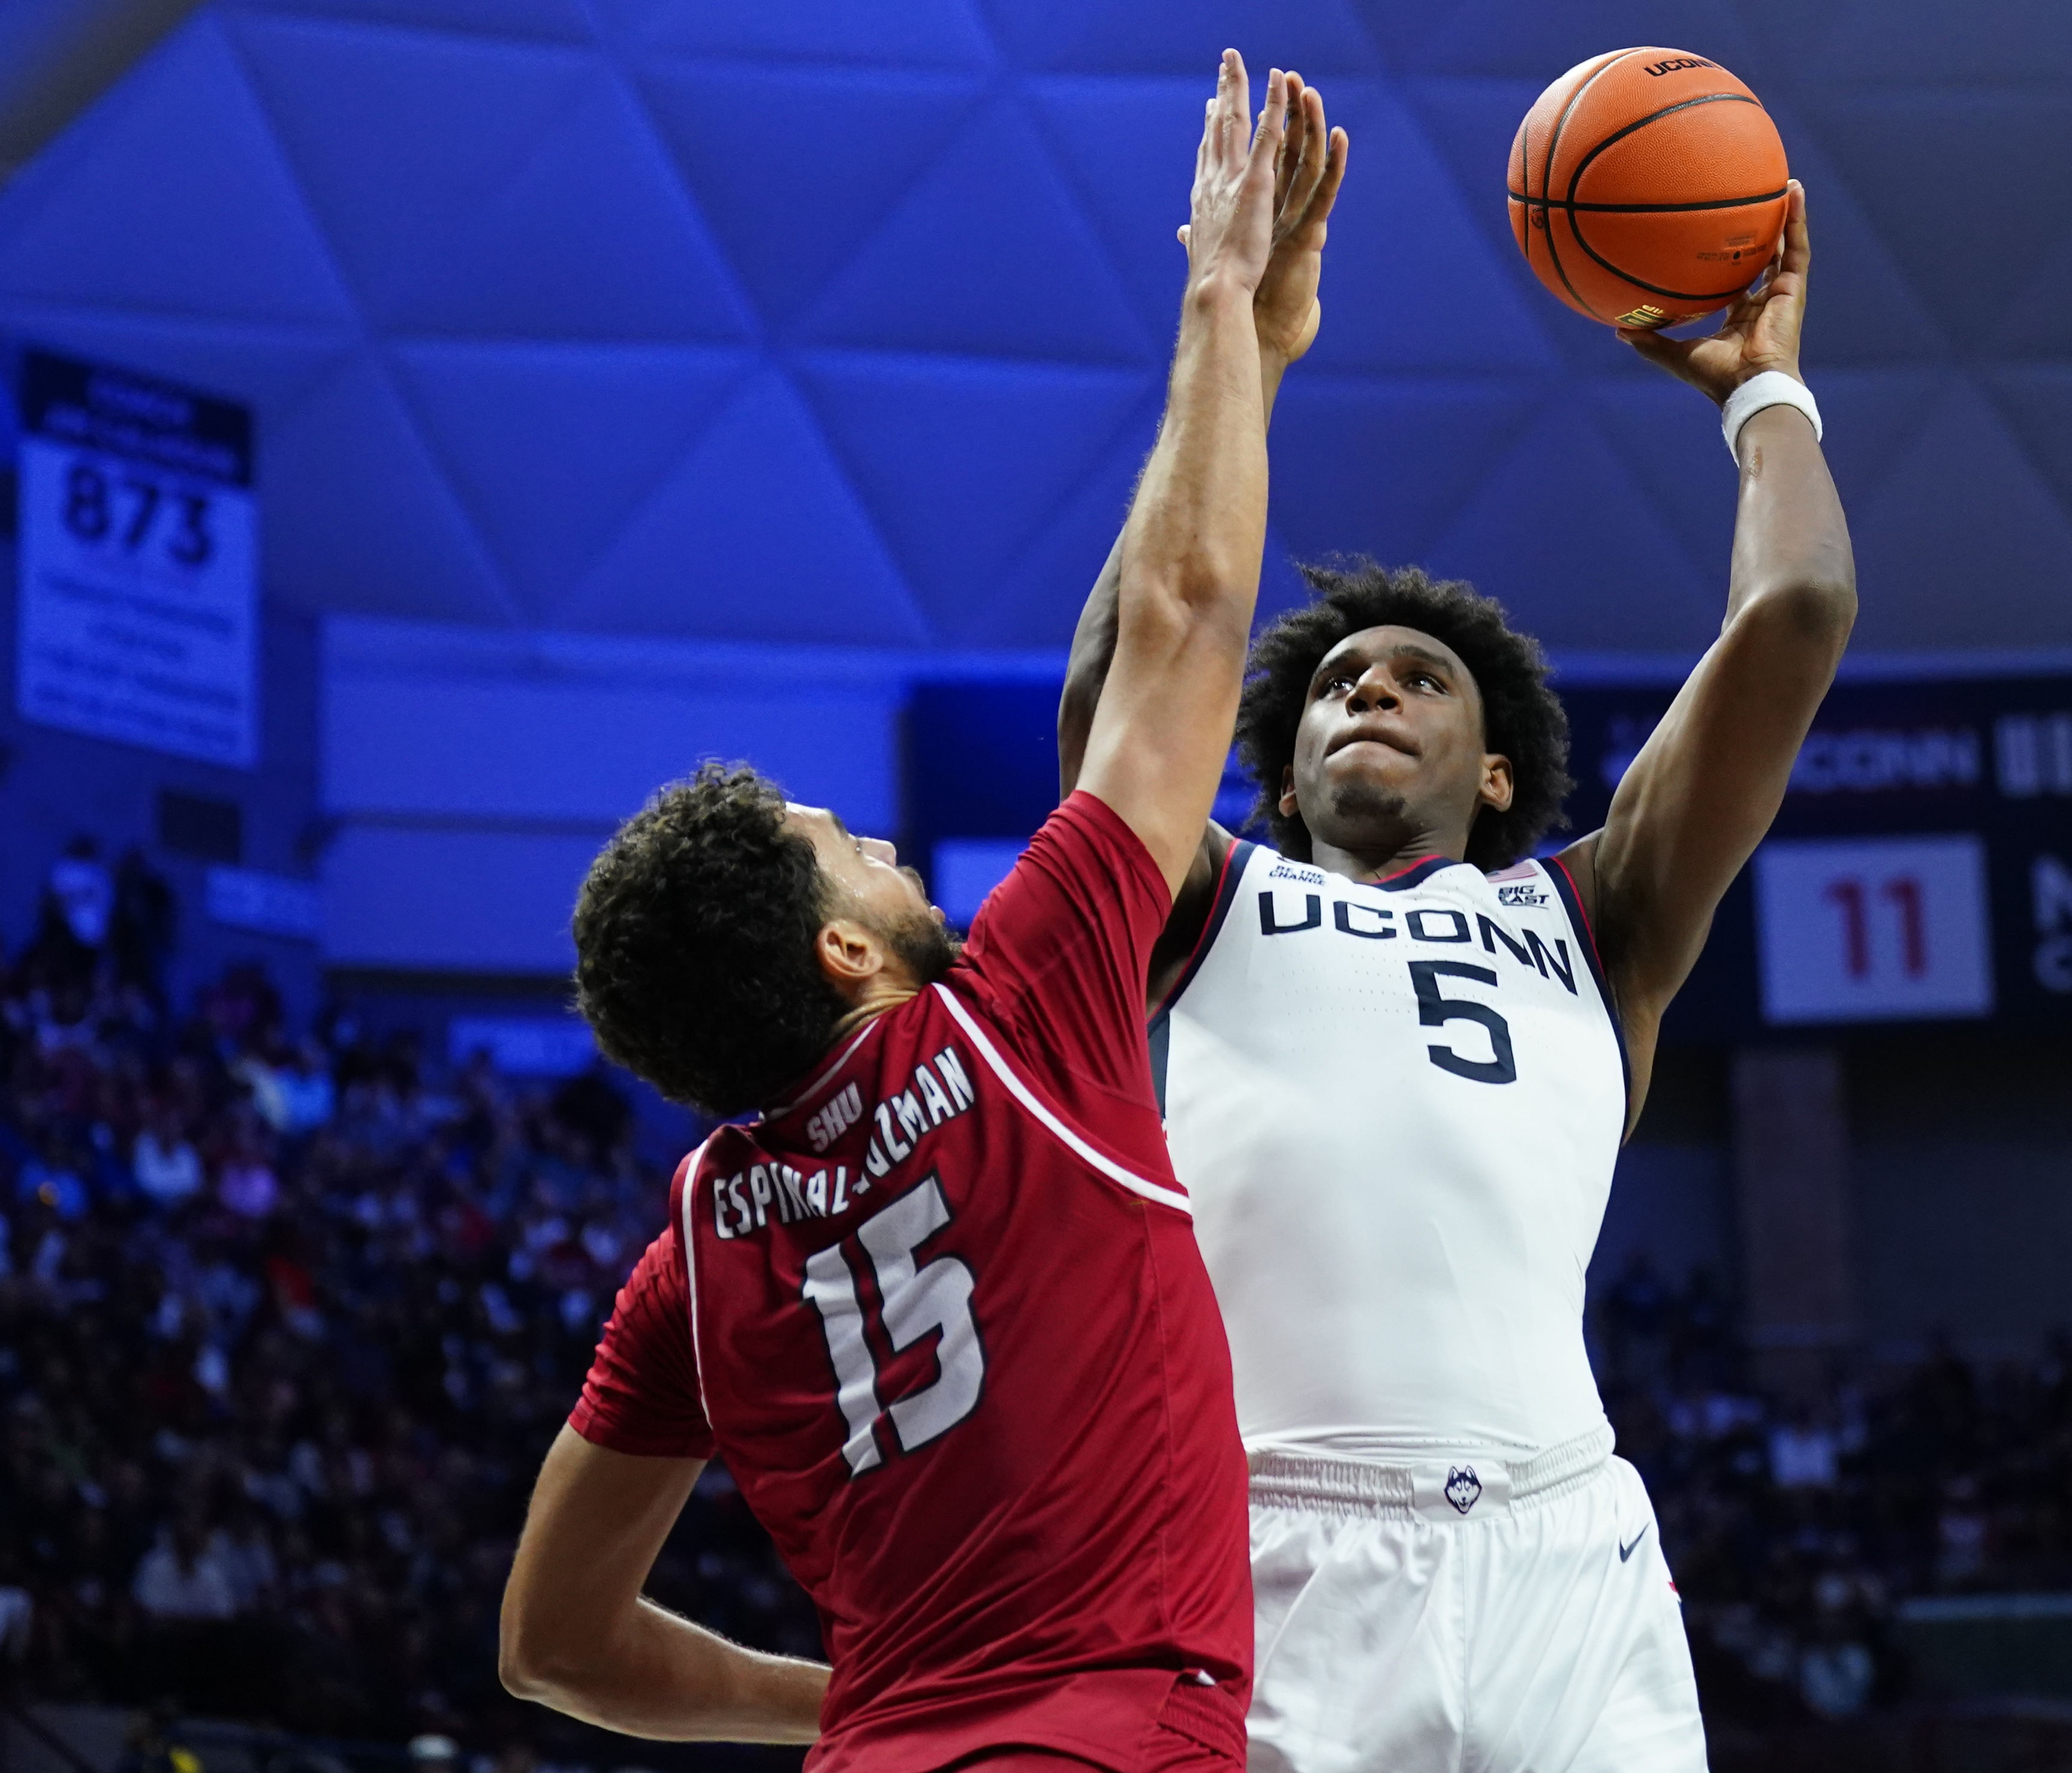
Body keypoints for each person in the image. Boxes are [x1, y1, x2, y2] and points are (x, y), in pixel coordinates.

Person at [498, 54, 1337, 1773]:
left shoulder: (695, 1256)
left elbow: (550, 1648)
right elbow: (1180, 617)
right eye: (855, 849)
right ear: (847, 953)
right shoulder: (1014, 1015)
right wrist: (1222, 303)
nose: (890, 850)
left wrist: (876, 1708)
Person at [1057, 180, 1853, 1772]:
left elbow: (1799, 610)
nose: (1371, 690)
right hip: (1267, 1549)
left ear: (1496, 777)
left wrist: (1764, 395)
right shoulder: (1210, 900)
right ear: (1277, 772)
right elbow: (1121, 682)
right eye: (1339, 681)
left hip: (1565, 1545)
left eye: (1421, 682)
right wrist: (1247, 354)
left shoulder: (1596, 916)